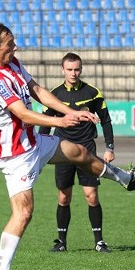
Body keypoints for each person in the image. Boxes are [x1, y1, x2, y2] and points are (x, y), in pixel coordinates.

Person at [0, 23, 135, 270]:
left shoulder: (13, 64)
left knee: (79, 152)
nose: (16, 47)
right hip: (15, 153)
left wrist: (73, 112)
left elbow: (37, 90)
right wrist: (61, 121)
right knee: (23, 213)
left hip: (34, 141)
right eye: (10, 44)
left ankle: (125, 178)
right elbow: (22, 113)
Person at [39, 52, 115, 254]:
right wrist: (40, 151)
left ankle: (99, 242)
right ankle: (61, 242)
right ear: (62, 70)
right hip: (62, 149)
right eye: (70, 69)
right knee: (64, 197)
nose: (73, 73)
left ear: (81, 69)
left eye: (77, 69)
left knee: (91, 196)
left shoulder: (93, 93)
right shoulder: (54, 95)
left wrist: (110, 147)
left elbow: (106, 121)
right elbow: (45, 125)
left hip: (87, 150)